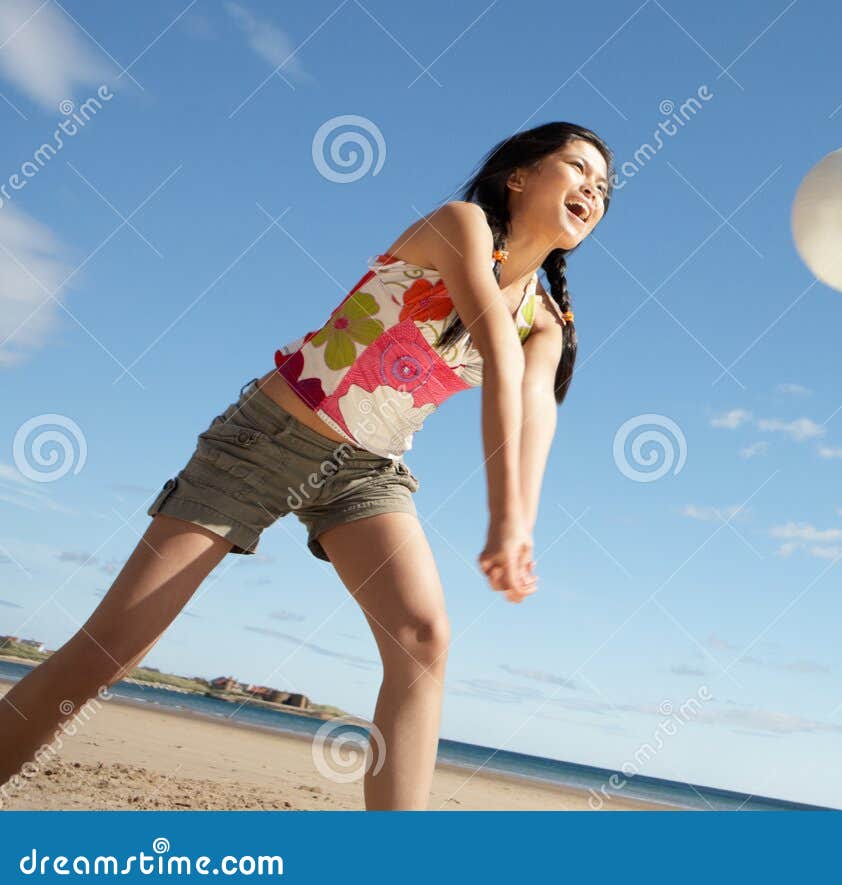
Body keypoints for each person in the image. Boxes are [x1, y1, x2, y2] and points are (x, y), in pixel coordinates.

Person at [0, 121, 612, 810]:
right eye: (577, 168)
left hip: (366, 472)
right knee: (111, 650)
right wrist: (502, 518)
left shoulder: (545, 321)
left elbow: (536, 414)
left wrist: (520, 525)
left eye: (603, 188)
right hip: (268, 438)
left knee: (422, 638)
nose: (592, 188)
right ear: (519, 175)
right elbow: (495, 356)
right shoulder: (461, 224)